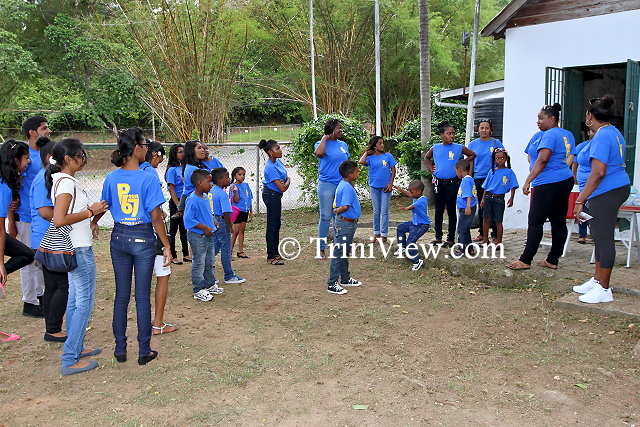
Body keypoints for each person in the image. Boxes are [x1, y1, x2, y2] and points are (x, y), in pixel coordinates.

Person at [93, 127, 171, 366]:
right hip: (142, 236)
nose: (147, 149)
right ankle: (143, 350)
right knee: (142, 297)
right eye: (145, 145)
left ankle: (120, 349)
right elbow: (156, 216)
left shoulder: (111, 177)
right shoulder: (148, 177)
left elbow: (104, 204)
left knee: (121, 296)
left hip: (119, 236)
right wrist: (166, 245)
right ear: (137, 148)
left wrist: (94, 222)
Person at [46, 138, 109, 375]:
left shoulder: (66, 181)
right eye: (80, 156)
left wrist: (90, 217)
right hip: (78, 250)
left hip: (77, 247)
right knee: (84, 303)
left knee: (75, 301)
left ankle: (76, 348)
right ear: (67, 159)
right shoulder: (65, 184)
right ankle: (70, 358)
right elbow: (59, 219)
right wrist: (91, 211)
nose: (83, 160)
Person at [572, 95, 631, 304]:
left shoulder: (602, 136)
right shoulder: (613, 132)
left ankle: (604, 288)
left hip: (606, 191)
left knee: (603, 238)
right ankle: (598, 280)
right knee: (598, 236)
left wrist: (580, 199)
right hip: (613, 188)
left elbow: (598, 172)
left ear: (590, 116)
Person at [507, 104, 575, 270]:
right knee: (558, 221)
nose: (538, 121)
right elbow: (534, 156)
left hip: (548, 183)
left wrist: (528, 180)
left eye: (541, 118)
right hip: (564, 179)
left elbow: (543, 159)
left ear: (552, 119)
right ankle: (553, 259)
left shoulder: (550, 134)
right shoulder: (565, 134)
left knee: (535, 221)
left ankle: (526, 259)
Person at [30, 137, 68, 342]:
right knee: (62, 285)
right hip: (48, 240)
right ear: (50, 158)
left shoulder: (50, 177)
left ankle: (52, 327)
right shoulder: (42, 179)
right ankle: (53, 329)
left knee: (53, 285)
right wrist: (68, 219)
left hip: (50, 239)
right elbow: (45, 212)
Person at [0, 140, 36, 341]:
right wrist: (1, 264)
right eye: (26, 158)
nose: (28, 161)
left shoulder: (5, 183)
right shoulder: (3, 187)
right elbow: (0, 230)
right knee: (26, 254)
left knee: (27, 254)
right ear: (14, 160)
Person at [141, 140, 178, 335]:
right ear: (154, 153)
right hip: (152, 232)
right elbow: (153, 213)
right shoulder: (150, 173)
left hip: (134, 233)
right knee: (163, 274)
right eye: (161, 155)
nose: (162, 160)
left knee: (143, 279)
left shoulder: (131, 171)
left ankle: (145, 322)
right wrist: (166, 244)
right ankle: (157, 323)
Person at [16, 116, 50, 317]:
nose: (48, 131)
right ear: (32, 132)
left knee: (40, 259)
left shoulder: (43, 154)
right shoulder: (25, 156)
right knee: (29, 260)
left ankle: (40, 295)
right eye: (44, 128)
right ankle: (29, 301)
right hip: (28, 216)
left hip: (42, 217)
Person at [424, 121, 476, 247]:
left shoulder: (458, 147)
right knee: (439, 210)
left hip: (453, 183)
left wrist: (461, 163)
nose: (452, 136)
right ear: (442, 135)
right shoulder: (435, 147)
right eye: (449, 133)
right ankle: (438, 237)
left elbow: (472, 155)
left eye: (453, 133)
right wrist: (431, 168)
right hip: (438, 183)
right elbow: (426, 157)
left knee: (451, 210)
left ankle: (451, 238)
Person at [314, 119, 349, 258]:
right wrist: (324, 138)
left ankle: (338, 247)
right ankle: (321, 249)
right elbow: (319, 154)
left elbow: (347, 165)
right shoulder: (321, 143)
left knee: (338, 216)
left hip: (341, 184)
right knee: (325, 216)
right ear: (332, 129)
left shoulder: (343, 145)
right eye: (339, 128)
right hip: (327, 184)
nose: (341, 130)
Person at [327, 160, 362, 295]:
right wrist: (336, 211)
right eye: (357, 171)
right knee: (339, 252)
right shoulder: (346, 187)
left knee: (344, 251)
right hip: (345, 224)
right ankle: (332, 283)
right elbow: (345, 206)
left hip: (347, 223)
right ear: (350, 174)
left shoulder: (343, 184)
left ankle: (345, 278)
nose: (358, 173)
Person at [184, 169, 218, 302]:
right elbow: (188, 220)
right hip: (198, 237)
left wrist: (213, 220)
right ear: (199, 183)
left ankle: (210, 284)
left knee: (209, 261)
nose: (211, 184)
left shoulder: (205, 197)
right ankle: (198, 289)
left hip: (209, 235)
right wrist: (204, 228)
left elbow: (207, 212)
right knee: (199, 262)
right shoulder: (192, 199)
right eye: (209, 181)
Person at [468, 119, 504, 241]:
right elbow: (471, 162)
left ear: (490, 130)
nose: (484, 130)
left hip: (493, 178)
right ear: (478, 129)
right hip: (479, 178)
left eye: (487, 128)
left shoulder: (496, 142)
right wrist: (470, 177)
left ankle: (495, 234)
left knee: (494, 205)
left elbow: (502, 158)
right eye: (482, 128)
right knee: (482, 205)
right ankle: (483, 233)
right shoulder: (473, 144)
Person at [210, 167, 245, 284]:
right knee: (226, 248)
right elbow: (226, 212)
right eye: (227, 177)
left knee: (214, 247)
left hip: (213, 220)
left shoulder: (211, 191)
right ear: (220, 180)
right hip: (221, 222)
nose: (229, 179)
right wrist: (230, 227)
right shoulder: (222, 194)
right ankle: (229, 275)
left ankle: (208, 274)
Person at [359, 136, 397, 242]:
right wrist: (366, 152)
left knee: (384, 211)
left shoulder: (387, 156)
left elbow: (393, 170)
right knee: (376, 211)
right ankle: (376, 233)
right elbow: (361, 161)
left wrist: (391, 183)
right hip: (374, 187)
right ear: (374, 146)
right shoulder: (370, 158)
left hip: (386, 188)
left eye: (383, 143)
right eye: (380, 143)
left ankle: (384, 234)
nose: (382, 145)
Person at [479, 148, 518, 245]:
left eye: (502, 158)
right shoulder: (491, 171)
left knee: (498, 221)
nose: (500, 160)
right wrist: (483, 199)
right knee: (486, 218)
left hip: (499, 199)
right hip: (488, 197)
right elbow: (486, 186)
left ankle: (498, 240)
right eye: (497, 158)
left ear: (506, 159)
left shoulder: (509, 172)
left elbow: (513, 186)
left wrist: (512, 198)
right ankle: (485, 239)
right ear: (494, 159)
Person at [260, 139, 290, 265]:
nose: (280, 150)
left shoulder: (277, 162)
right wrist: (287, 181)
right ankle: (271, 256)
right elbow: (282, 187)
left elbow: (285, 178)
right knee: (272, 225)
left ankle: (276, 253)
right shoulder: (270, 167)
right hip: (271, 196)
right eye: (277, 148)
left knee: (277, 224)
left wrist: (286, 180)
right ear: (270, 152)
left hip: (276, 195)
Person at [393, 180, 431, 271]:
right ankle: (402, 247)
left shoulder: (422, 200)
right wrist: (400, 189)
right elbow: (409, 194)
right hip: (414, 223)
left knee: (410, 243)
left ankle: (417, 262)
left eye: (412, 192)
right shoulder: (415, 196)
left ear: (419, 192)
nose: (411, 194)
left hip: (422, 226)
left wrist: (406, 208)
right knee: (400, 228)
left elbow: (413, 206)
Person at [165, 143, 190, 263]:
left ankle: (186, 253)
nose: (183, 154)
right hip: (176, 201)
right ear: (174, 155)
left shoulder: (184, 167)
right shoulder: (172, 170)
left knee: (184, 228)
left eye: (183, 151)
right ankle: (173, 255)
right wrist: (177, 205)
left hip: (185, 200)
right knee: (173, 229)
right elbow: (171, 188)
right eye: (180, 152)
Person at [572, 129, 596, 244]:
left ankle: (595, 233)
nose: (594, 133)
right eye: (592, 131)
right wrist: (575, 178)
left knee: (593, 208)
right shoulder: (581, 146)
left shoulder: (600, 147)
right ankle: (582, 234)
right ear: (588, 132)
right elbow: (575, 164)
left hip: (596, 184)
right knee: (582, 209)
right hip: (582, 185)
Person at [454, 159, 477, 256]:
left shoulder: (467, 180)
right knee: (465, 229)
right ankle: (470, 248)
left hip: (466, 209)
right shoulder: (468, 179)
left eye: (456, 171)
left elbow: (468, 195)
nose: (456, 173)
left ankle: (462, 249)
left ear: (459, 170)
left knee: (461, 229)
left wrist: (468, 207)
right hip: (466, 208)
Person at [229, 167, 253, 258]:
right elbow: (235, 200)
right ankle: (229, 252)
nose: (242, 176)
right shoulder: (233, 186)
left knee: (242, 231)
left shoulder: (246, 185)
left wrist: (250, 211)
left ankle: (240, 251)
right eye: (239, 174)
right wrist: (236, 191)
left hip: (245, 210)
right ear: (234, 176)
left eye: (243, 174)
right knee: (235, 232)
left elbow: (249, 198)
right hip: (237, 211)